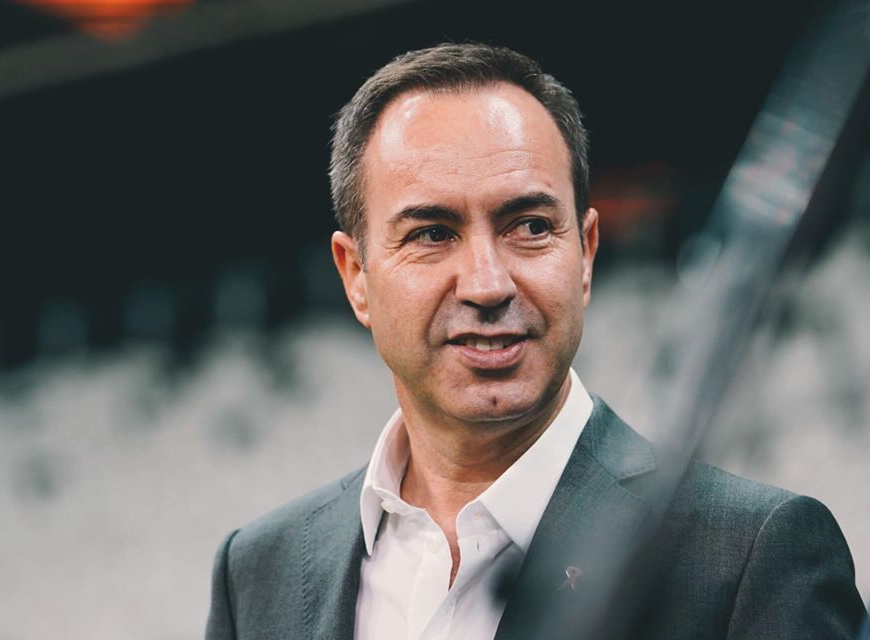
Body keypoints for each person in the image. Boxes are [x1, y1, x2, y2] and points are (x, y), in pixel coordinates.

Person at [205, 43, 866, 639]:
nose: (487, 285)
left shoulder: (752, 554)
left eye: (528, 226)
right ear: (356, 277)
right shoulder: (255, 573)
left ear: (586, 254)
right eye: (432, 233)